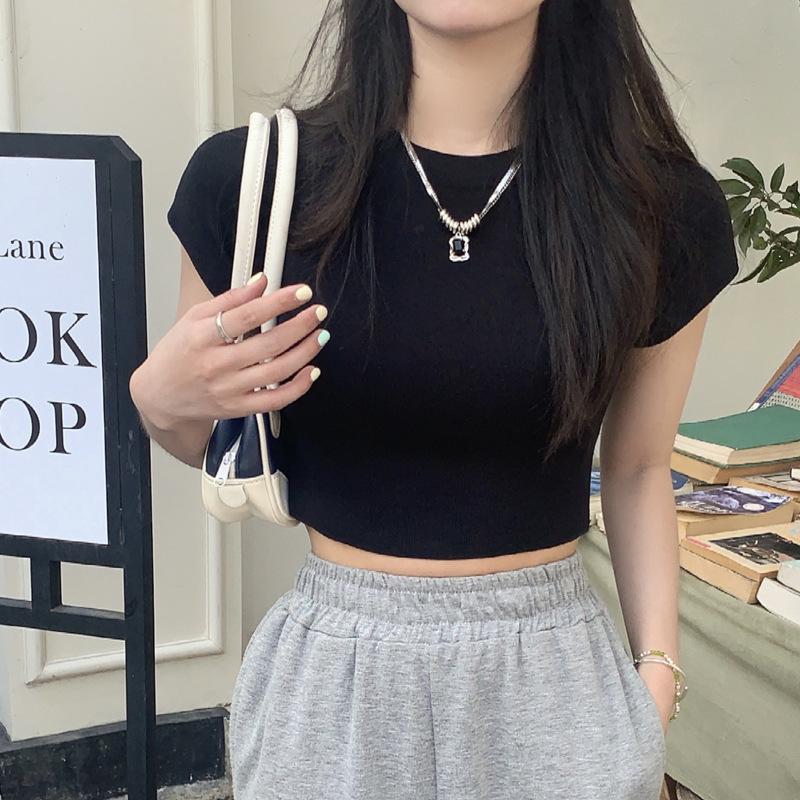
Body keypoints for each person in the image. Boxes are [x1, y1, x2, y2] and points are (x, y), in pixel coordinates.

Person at [131, 1, 739, 798]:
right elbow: (216, 439)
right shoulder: (253, 181)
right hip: (334, 688)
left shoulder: (657, 204)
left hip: (555, 682)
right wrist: (157, 399)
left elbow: (637, 467)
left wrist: (656, 677)